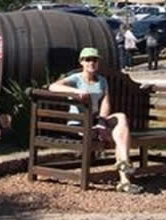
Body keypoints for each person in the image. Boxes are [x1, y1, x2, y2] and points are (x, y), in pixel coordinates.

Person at [48, 47, 143, 194]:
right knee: (121, 138)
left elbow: (105, 103)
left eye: (95, 60)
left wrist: (102, 122)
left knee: (121, 120)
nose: (91, 62)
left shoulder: (102, 81)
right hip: (79, 125)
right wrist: (77, 91)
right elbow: (53, 87)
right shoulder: (76, 78)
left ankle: (124, 169)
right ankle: (124, 178)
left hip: (95, 122)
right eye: (88, 60)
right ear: (82, 62)